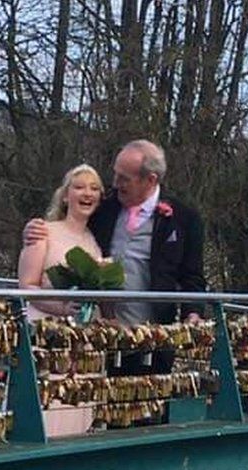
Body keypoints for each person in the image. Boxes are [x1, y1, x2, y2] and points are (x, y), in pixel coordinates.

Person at [25, 140, 207, 375]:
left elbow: (193, 277)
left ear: (150, 180)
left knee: (147, 408)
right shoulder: (105, 209)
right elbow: (68, 225)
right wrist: (32, 229)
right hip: (101, 341)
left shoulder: (185, 218)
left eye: (124, 179)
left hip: (153, 341)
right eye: (115, 174)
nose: (115, 183)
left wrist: (193, 313)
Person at [18, 164, 105, 320]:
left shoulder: (96, 241)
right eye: (79, 187)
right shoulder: (41, 231)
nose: (87, 194)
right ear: (65, 196)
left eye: (94, 188)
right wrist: (62, 308)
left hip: (85, 332)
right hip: (43, 328)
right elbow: (27, 286)